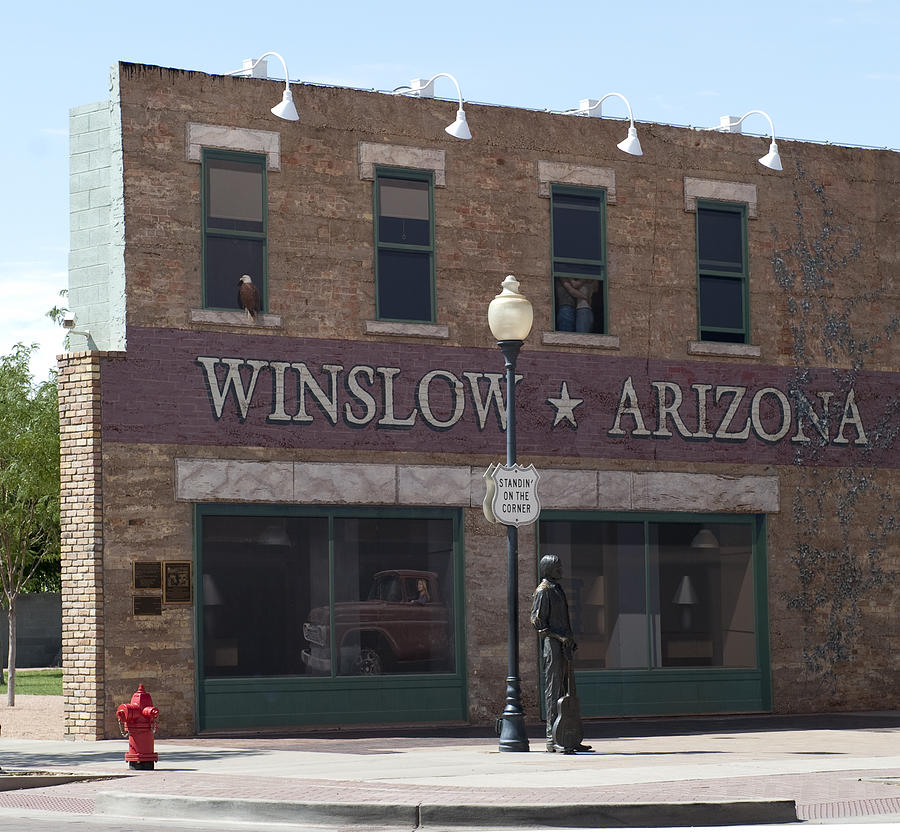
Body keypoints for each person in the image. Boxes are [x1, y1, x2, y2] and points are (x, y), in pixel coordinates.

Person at [530, 554, 591, 753]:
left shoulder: (558, 589)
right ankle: (552, 737)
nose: (561, 570)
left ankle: (569, 736)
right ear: (548, 569)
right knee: (553, 690)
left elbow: (564, 620)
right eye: (558, 567)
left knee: (568, 690)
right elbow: (538, 624)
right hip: (553, 645)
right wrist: (560, 638)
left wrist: (570, 639)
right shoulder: (543, 591)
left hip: (565, 646)